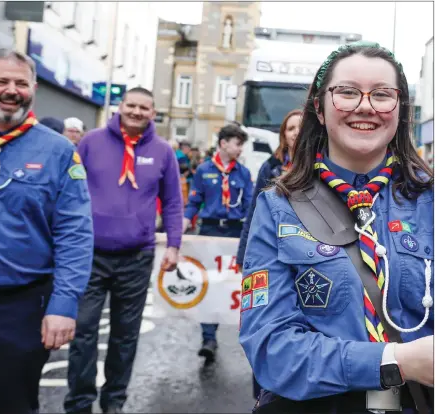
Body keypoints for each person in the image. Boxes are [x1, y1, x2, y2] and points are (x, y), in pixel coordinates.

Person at [240, 41, 434, 413]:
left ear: (400, 110)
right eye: (347, 92)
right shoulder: (278, 207)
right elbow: (271, 350)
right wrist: (396, 361)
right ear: (320, 107)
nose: (365, 106)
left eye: (382, 94)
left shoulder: (430, 201)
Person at [0, 49, 93, 414]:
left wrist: (63, 305)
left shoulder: (58, 151)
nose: (11, 90)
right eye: (1, 81)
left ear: (33, 90)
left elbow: (74, 233)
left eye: (21, 83)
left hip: (18, 311)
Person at [64, 87, 183, 414]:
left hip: (137, 257)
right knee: (84, 333)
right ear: (120, 107)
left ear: (153, 113)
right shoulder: (91, 142)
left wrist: (174, 244)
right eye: (131, 105)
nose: (136, 112)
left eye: (144, 107)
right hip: (90, 255)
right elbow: (70, 191)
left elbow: (173, 201)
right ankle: (78, 403)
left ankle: (114, 401)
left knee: (124, 337)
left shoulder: (163, 151)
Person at [236, 108, 302, 400]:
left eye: (302, 127)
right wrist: (243, 256)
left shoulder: (324, 165)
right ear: (283, 135)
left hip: (302, 256)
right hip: (269, 254)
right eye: (291, 128)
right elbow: (253, 212)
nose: (296, 133)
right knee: (264, 323)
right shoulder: (270, 167)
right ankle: (263, 393)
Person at [183, 123, 253, 362]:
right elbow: (194, 202)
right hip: (210, 230)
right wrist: (182, 225)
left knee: (232, 284)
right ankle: (209, 338)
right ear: (223, 143)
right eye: (237, 144)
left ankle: (243, 335)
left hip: (234, 233)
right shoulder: (204, 170)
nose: (240, 149)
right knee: (209, 283)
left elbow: (250, 206)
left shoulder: (243, 174)